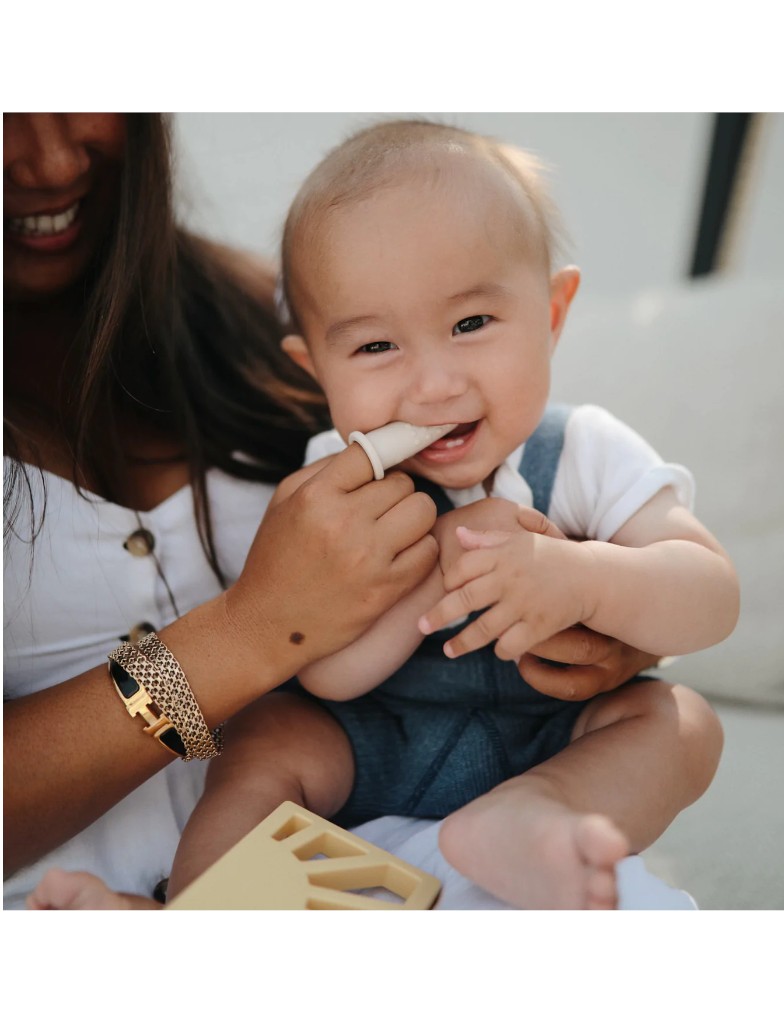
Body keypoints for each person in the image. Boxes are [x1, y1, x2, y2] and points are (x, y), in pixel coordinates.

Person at [5, 114, 653, 911]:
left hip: (364, 869)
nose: (50, 157)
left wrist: (611, 615)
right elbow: (307, 656)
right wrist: (251, 632)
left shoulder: (272, 311)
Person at [153, 119, 736, 911]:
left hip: (546, 744)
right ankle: (203, 902)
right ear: (315, 368)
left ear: (554, 312)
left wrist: (583, 575)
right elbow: (326, 670)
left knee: (683, 723)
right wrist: (438, 553)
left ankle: (531, 820)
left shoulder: (584, 451)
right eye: (374, 348)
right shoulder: (335, 480)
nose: (432, 384)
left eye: (470, 325)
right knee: (266, 737)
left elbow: (710, 598)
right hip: (369, 745)